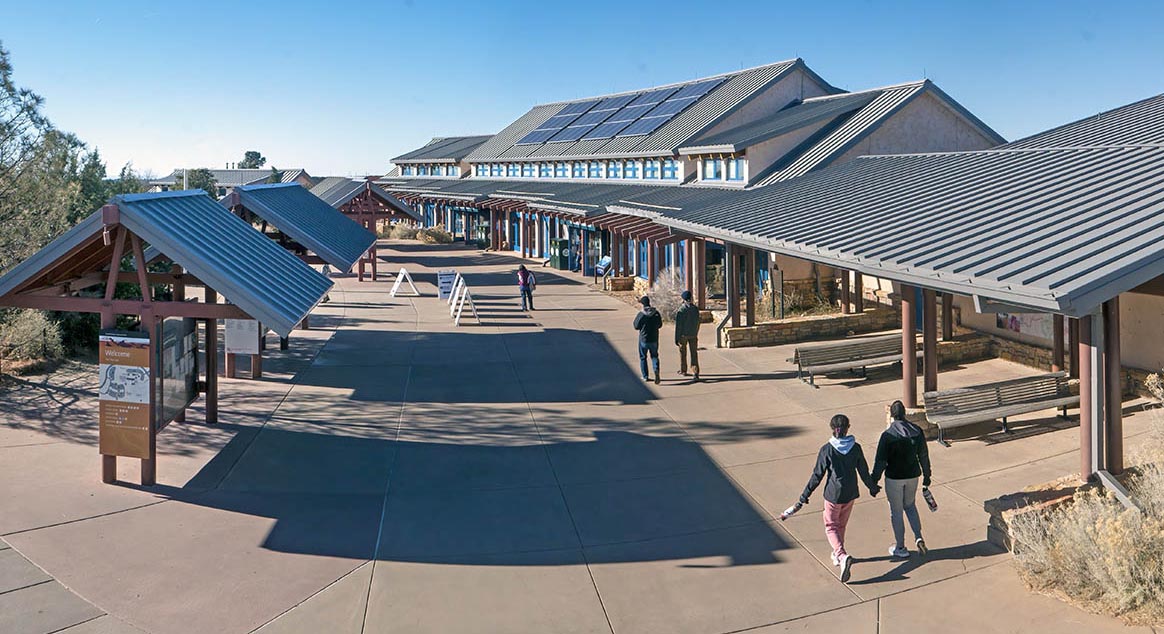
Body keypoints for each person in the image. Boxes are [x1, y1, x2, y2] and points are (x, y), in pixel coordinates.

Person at [789, 414, 879, 583]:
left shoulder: (827, 449)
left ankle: (841, 555)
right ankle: (838, 554)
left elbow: (817, 475)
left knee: (831, 526)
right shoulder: (856, 447)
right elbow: (864, 472)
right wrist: (872, 488)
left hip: (832, 495)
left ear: (832, 428)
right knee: (841, 525)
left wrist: (804, 497)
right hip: (850, 493)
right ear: (848, 428)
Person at [871, 400, 933, 559]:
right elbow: (924, 456)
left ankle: (900, 547)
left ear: (892, 415)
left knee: (896, 511)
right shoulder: (917, 431)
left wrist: (873, 481)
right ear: (904, 413)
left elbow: (881, 461)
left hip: (894, 478)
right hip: (913, 475)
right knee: (910, 506)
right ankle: (918, 536)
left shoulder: (887, 436)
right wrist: (927, 476)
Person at [633, 296, 663, 384]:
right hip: (654, 339)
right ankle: (656, 369)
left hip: (644, 339)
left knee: (643, 357)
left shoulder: (641, 314)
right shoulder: (656, 313)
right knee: (654, 356)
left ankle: (645, 376)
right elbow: (660, 324)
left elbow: (636, 326)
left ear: (643, 304)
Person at [674, 290, 701, 379]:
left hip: (683, 335)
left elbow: (678, 326)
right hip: (693, 334)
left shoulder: (681, 310)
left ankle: (683, 370)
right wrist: (696, 332)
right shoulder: (695, 309)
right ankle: (695, 371)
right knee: (694, 353)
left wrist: (677, 338)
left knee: (683, 353)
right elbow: (698, 322)